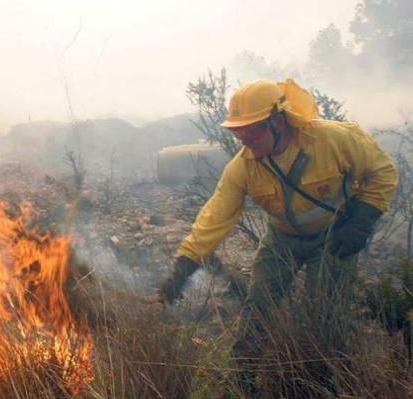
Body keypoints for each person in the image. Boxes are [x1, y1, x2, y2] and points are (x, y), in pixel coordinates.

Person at [158, 79, 398, 363]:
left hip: (334, 237)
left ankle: (321, 379)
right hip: (282, 240)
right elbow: (214, 217)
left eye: (251, 131)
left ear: (278, 121)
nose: (244, 140)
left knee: (323, 312)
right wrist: (182, 271)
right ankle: (243, 379)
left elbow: (383, 171)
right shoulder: (242, 167)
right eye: (238, 133)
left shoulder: (333, 139)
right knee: (258, 306)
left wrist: (361, 222)